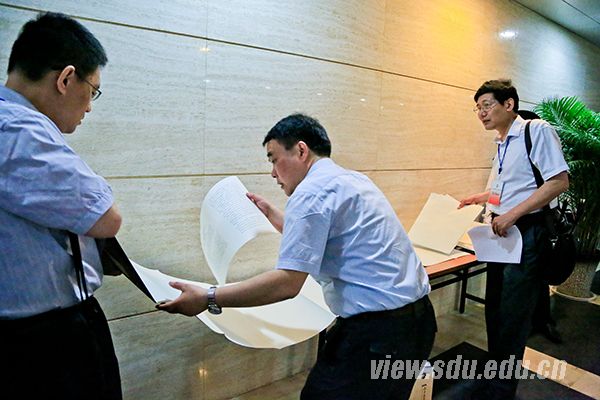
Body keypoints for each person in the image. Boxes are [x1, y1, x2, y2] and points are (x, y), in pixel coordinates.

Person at [158, 113, 437, 399]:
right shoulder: (353, 180)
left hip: (376, 337)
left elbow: (287, 284)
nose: (273, 173)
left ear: (301, 150)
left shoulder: (310, 193)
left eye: (274, 159)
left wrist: (208, 297)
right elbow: (325, 236)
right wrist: (272, 215)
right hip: (418, 323)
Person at [0, 13, 123, 399]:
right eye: (93, 91)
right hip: (44, 342)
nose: (89, 108)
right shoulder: (19, 130)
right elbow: (107, 218)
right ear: (66, 79)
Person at [459, 79, 569, 399]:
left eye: (487, 105)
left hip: (528, 232)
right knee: (494, 307)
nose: (481, 113)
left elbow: (558, 182)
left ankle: (502, 389)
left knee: (513, 314)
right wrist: (481, 198)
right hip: (502, 233)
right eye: (478, 108)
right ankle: (494, 375)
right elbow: (507, 188)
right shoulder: (502, 141)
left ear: (509, 104)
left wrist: (512, 215)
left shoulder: (537, 131)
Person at [518, 110, 563, 345]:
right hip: (518, 225)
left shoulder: (539, 138)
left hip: (539, 222)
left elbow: (555, 185)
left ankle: (543, 320)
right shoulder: (507, 149)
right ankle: (532, 322)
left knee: (540, 276)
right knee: (526, 279)